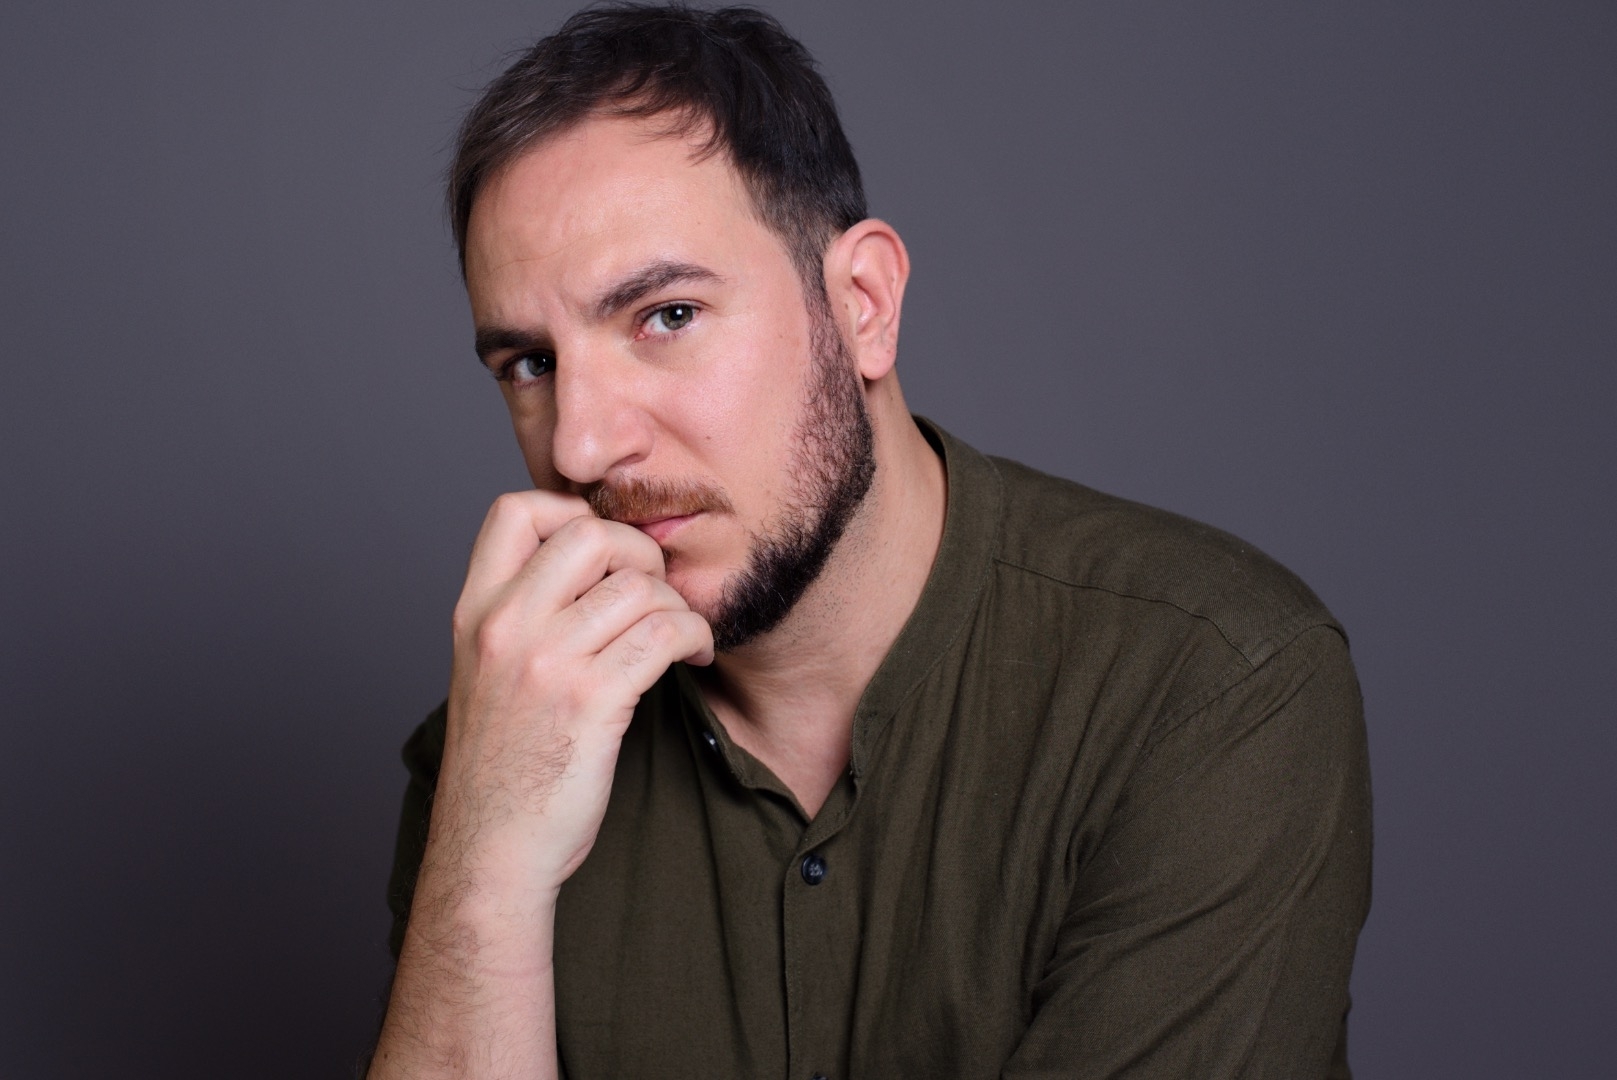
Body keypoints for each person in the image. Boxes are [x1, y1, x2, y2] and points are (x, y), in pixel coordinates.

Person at [369, 5, 1372, 1078]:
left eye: (667, 316)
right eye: (530, 364)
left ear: (862, 304)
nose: (580, 443)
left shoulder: (1209, 682)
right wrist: (484, 867)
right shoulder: (507, 745)